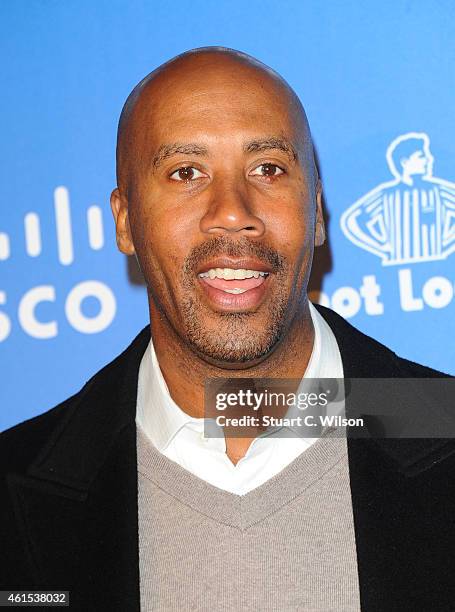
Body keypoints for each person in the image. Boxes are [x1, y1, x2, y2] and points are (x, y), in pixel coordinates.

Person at [0, 47, 454, 612]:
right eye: (186, 172)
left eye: (268, 168)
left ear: (315, 209)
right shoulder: (14, 488)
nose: (232, 211)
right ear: (125, 222)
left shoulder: (444, 426)